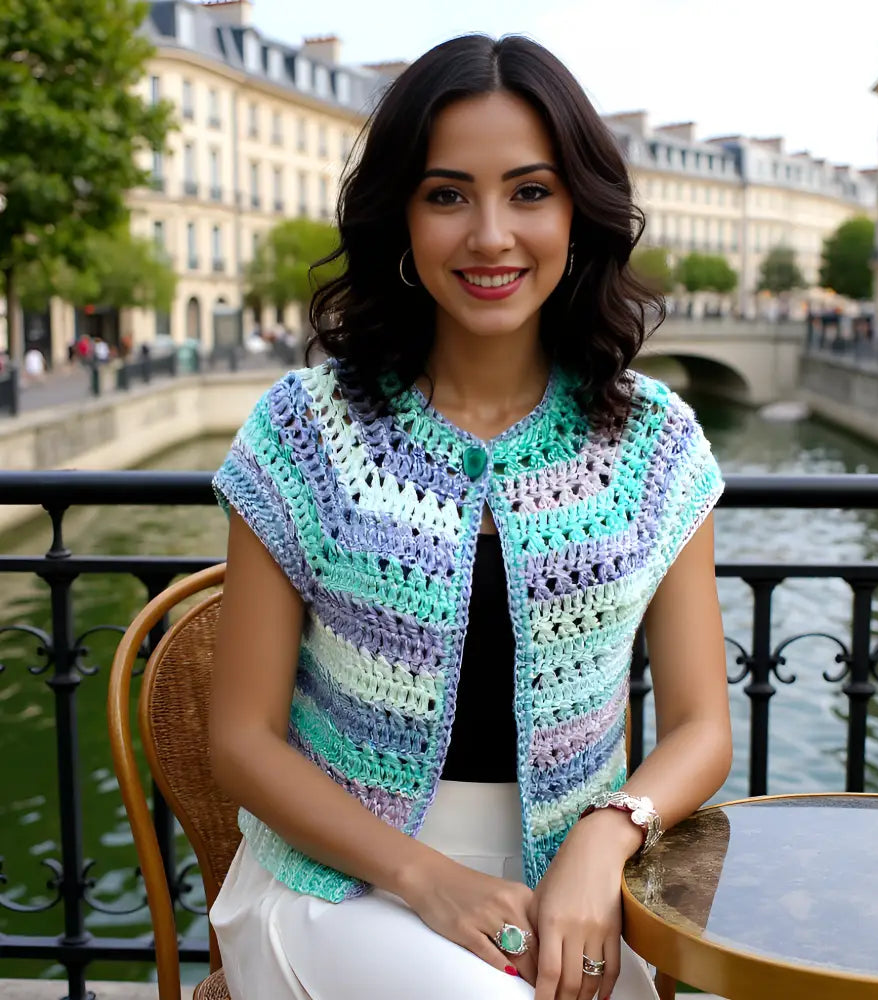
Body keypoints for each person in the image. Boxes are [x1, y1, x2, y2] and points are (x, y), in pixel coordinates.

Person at [209, 34, 732, 1000]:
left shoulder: (656, 445)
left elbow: (702, 726)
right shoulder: (305, 433)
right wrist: (425, 879)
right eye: (447, 194)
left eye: (530, 191)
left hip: (574, 886)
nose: (490, 235)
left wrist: (607, 832)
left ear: (579, 210)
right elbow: (240, 736)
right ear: (401, 217)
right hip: (335, 882)